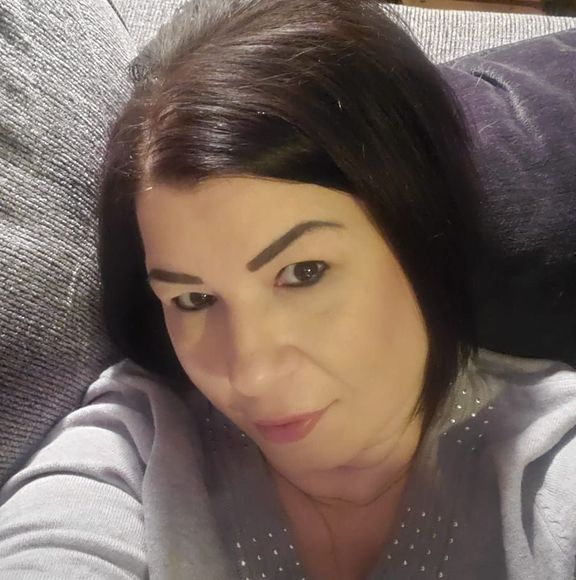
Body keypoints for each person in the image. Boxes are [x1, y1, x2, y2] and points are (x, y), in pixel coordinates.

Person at [1, 1, 575, 579]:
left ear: (420, 234)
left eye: (303, 272)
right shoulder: (138, 443)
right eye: (194, 300)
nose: (252, 376)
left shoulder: (550, 464)